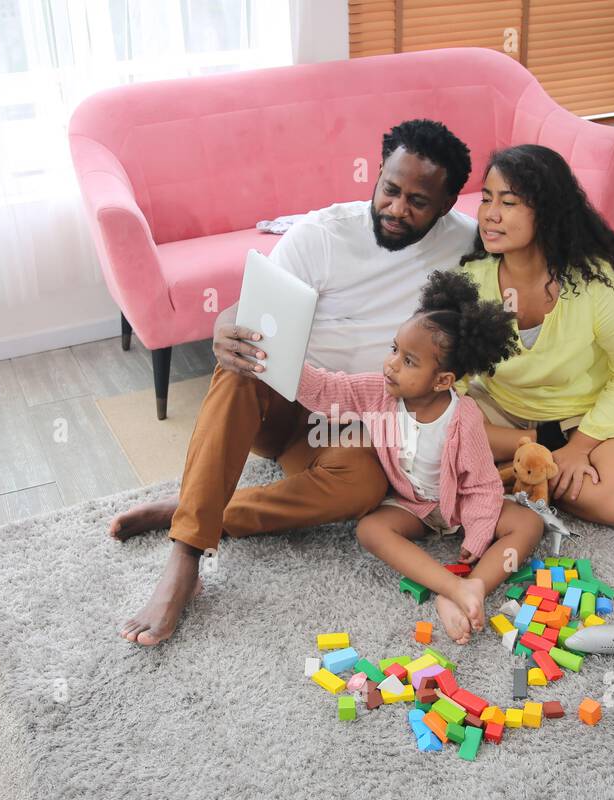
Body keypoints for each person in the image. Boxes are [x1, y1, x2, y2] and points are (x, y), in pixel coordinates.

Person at [110, 119, 478, 645]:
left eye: (418, 202)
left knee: (365, 487)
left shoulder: (466, 243)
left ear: (445, 207)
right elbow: (250, 311)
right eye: (390, 190)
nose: (397, 209)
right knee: (242, 366)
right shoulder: (320, 235)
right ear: (376, 176)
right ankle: (186, 556)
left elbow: (534, 239)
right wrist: (223, 328)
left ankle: (197, 508)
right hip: (283, 402)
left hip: (352, 425)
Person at [295, 270, 544, 643]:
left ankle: (475, 584)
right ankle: (451, 587)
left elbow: (480, 482)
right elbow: (329, 389)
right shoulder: (377, 392)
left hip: (458, 503)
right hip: (414, 505)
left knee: (528, 523)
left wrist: (477, 535)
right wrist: (285, 366)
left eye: (409, 361)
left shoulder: (464, 418)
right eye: (394, 349)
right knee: (370, 529)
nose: (392, 363)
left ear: (442, 380)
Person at [458, 144, 614, 528]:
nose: (490, 215)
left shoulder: (602, 284)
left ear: (547, 211)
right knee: (420, 437)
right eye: (486, 199)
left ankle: (518, 475)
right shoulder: (473, 278)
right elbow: (453, 370)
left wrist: (582, 447)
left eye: (509, 202)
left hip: (576, 418)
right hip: (498, 415)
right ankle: (529, 462)